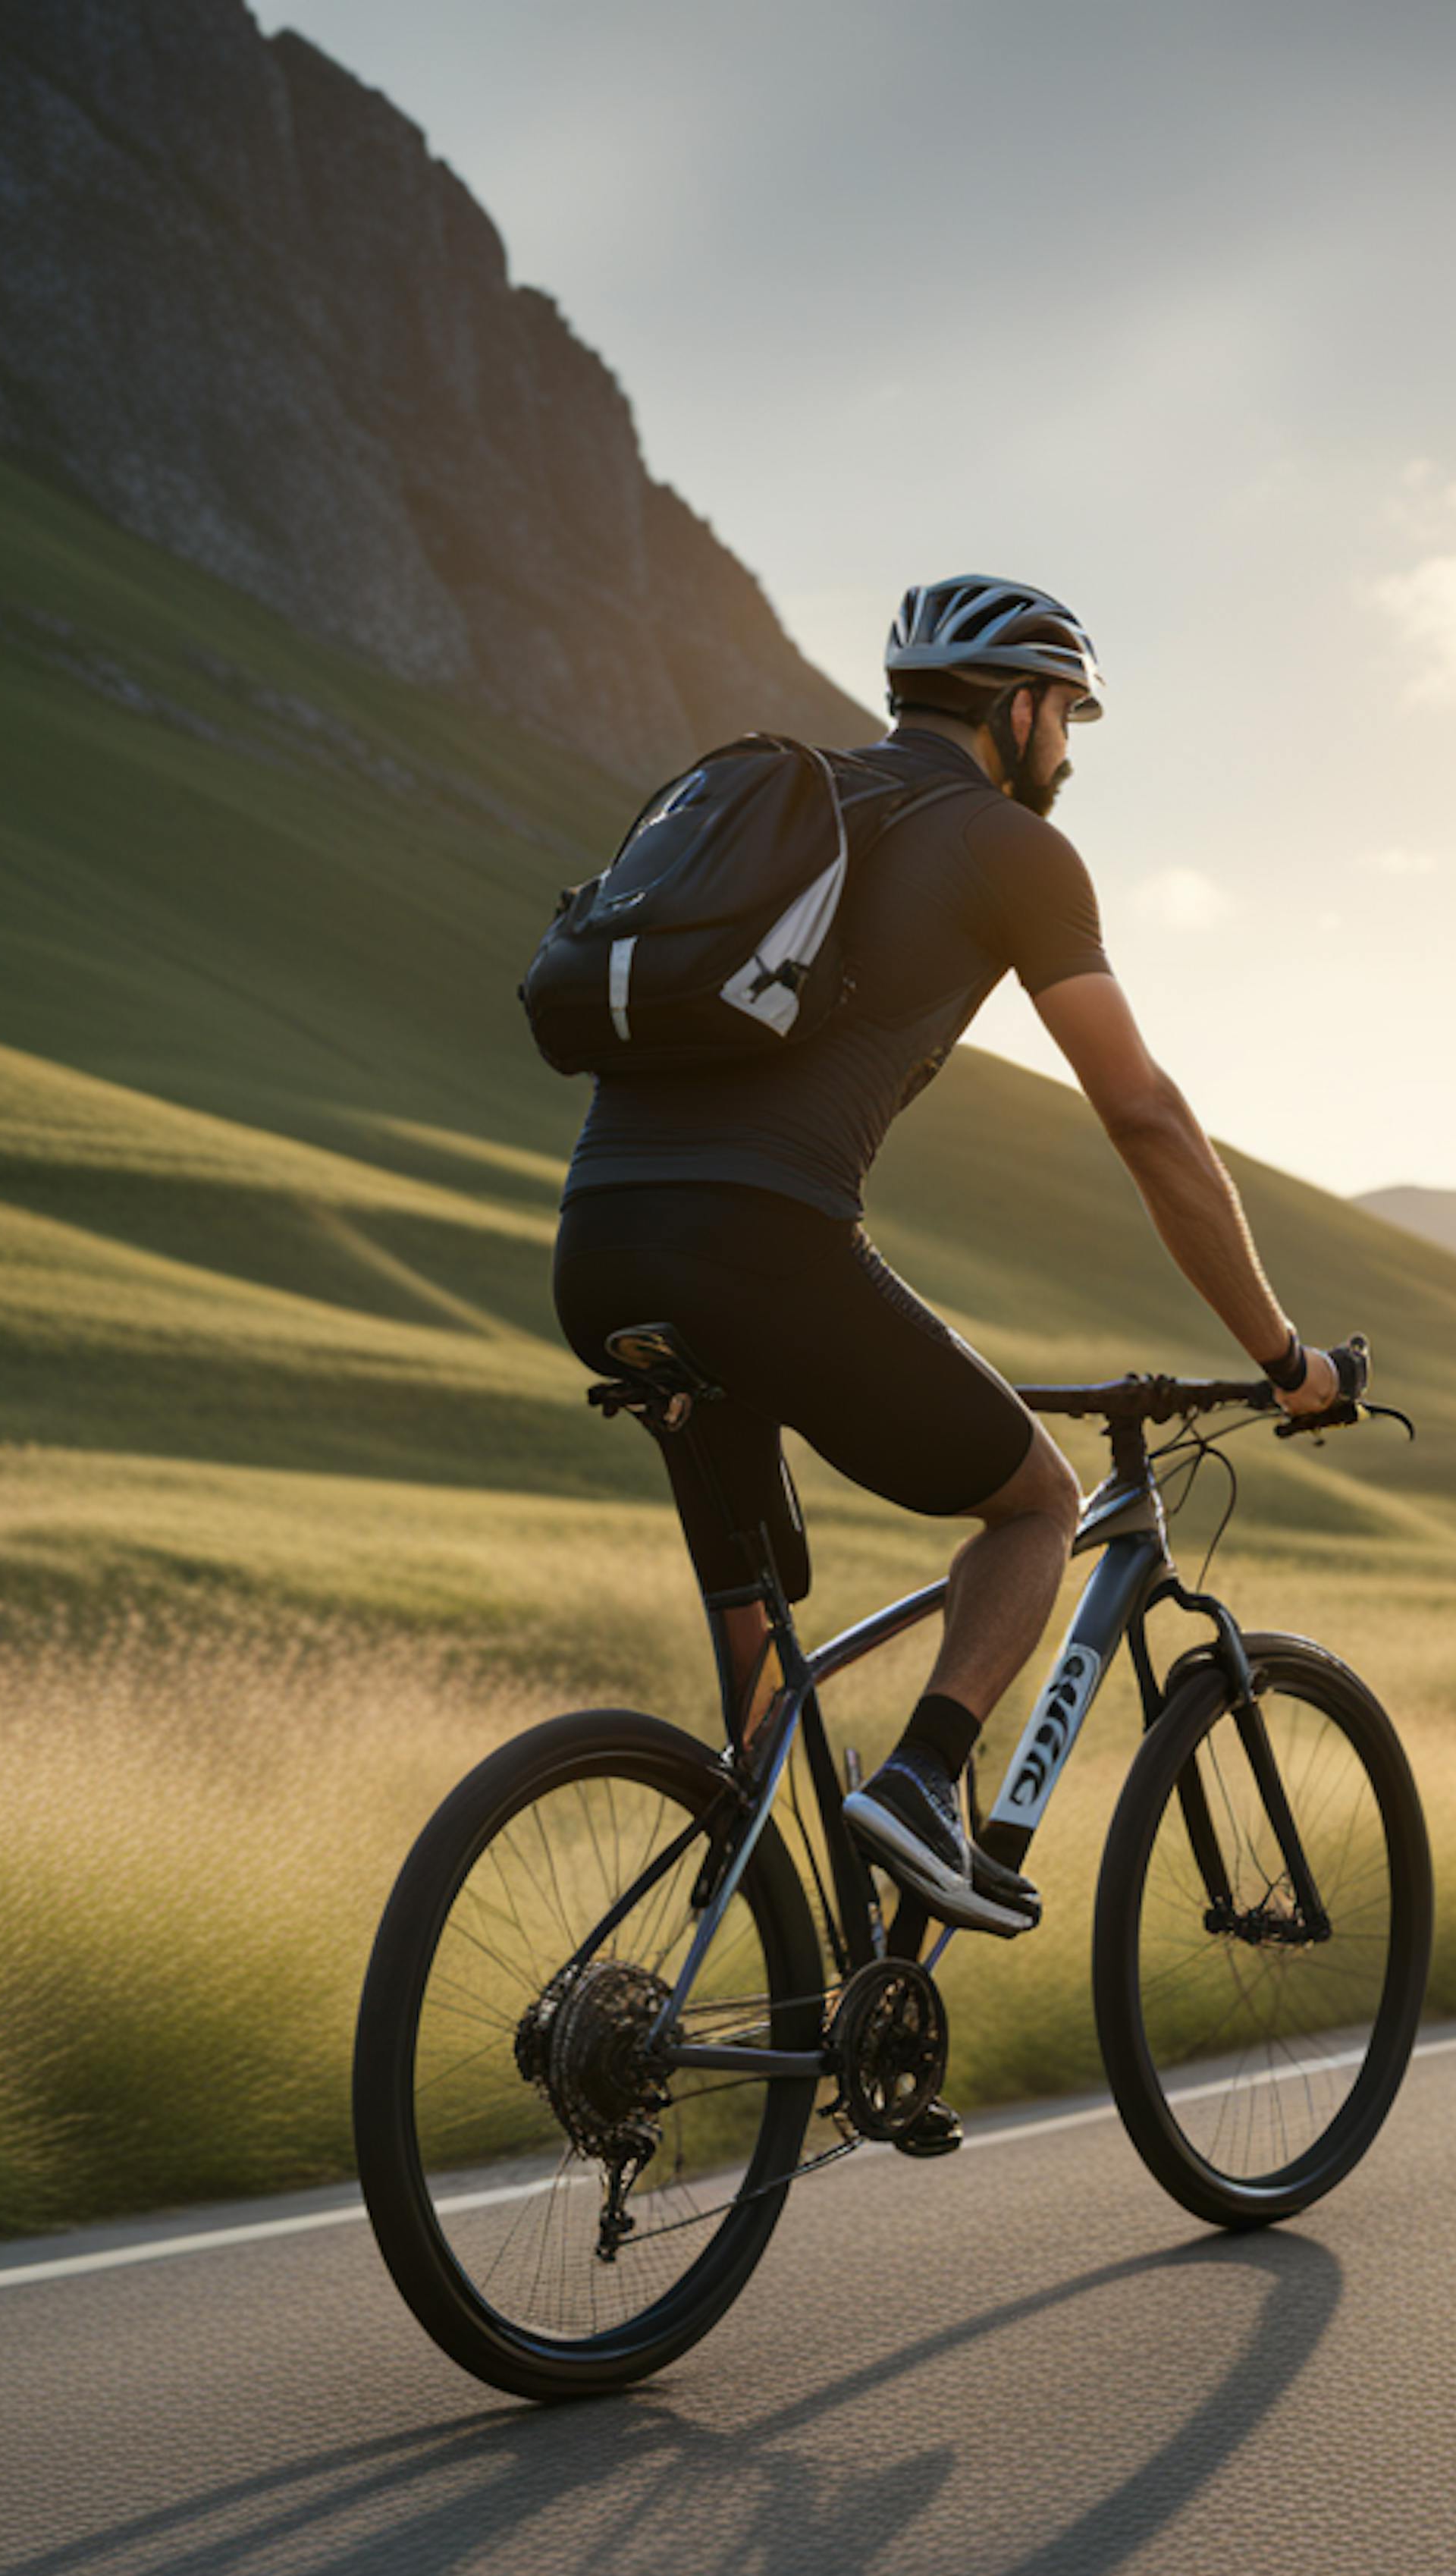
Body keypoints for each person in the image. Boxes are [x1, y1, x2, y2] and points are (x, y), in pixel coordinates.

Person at [550, 571, 1341, 1970]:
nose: (1073, 751)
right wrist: (1285, 1358)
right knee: (1035, 1496)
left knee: (765, 1654)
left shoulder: (791, 810)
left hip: (602, 1248)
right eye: (1069, 717)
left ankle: (745, 1959)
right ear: (1021, 709)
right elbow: (1145, 1117)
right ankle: (922, 1781)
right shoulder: (1009, 850)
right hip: (763, 1248)